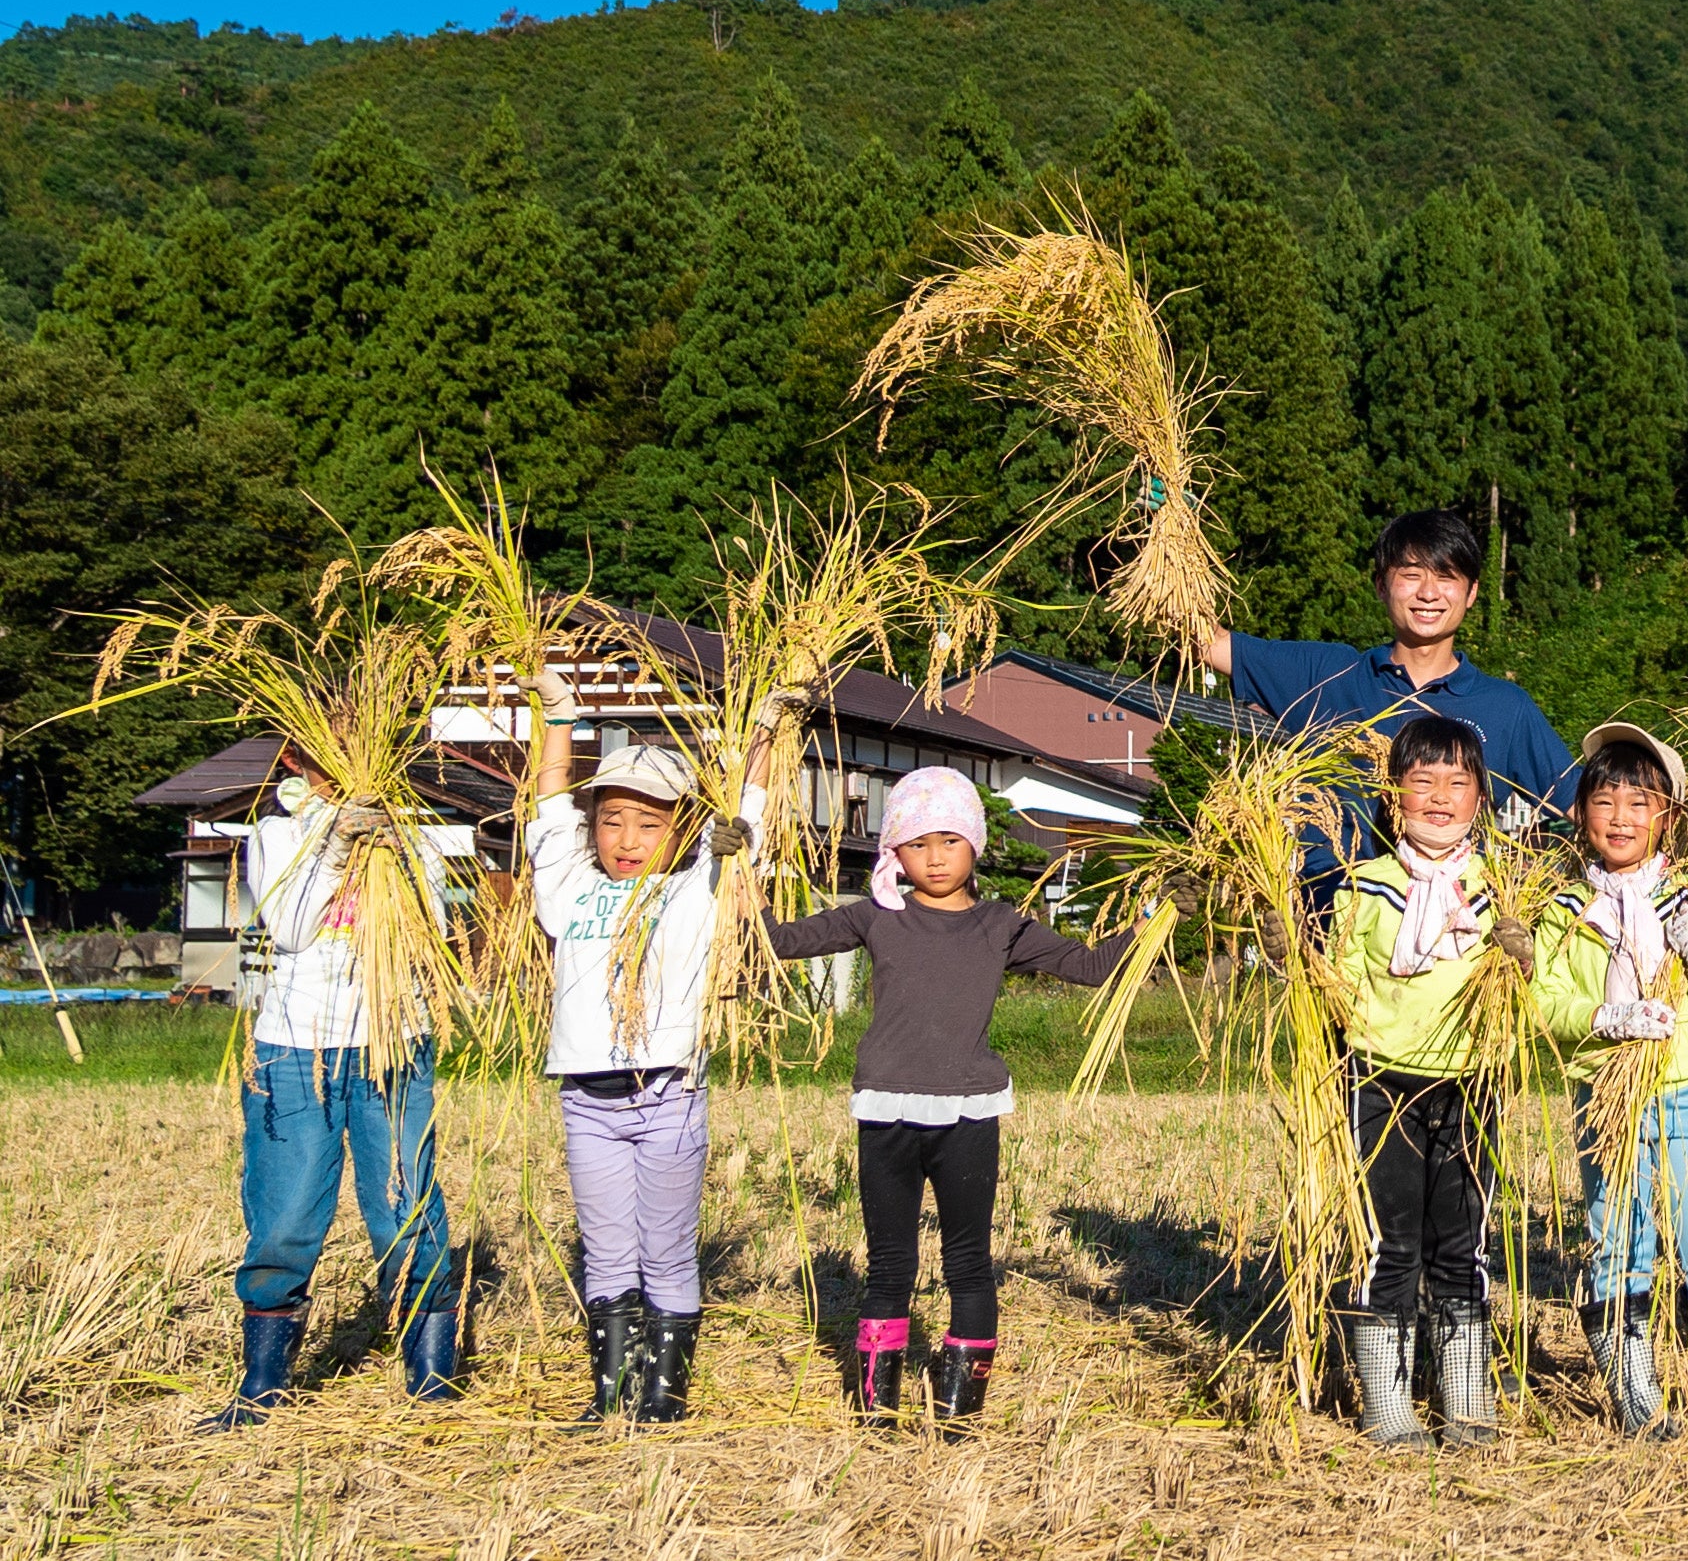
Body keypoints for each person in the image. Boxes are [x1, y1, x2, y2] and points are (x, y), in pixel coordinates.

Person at [763, 765, 1127, 1433]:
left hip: (968, 1113)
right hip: (886, 1112)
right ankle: (879, 1406)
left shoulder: (1000, 926)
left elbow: (1093, 967)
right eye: (918, 841)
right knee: (891, 1262)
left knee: (967, 1259)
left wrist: (1161, 917)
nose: (934, 856)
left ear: (975, 846)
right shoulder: (878, 916)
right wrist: (736, 881)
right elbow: (781, 940)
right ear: (894, 852)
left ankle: (959, 1408)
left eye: (949, 840)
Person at [525, 661, 762, 1428]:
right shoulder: (568, 887)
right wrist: (558, 715)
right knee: (606, 1249)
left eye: (649, 823)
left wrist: (762, 733)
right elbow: (548, 803)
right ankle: (611, 1395)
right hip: (587, 1097)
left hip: (668, 1092)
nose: (627, 839)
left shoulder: (696, 886)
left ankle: (663, 1398)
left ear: (680, 829)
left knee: (666, 1247)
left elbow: (749, 807)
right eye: (612, 820)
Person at [203, 749, 464, 1430]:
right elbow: (287, 929)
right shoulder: (278, 833)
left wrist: (388, 850)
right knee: (285, 1212)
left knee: (404, 1202)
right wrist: (337, 842)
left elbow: (430, 935)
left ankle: (432, 1377)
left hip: (393, 1042)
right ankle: (263, 1384)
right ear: (298, 757)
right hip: (296, 1046)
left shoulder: (414, 837)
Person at [1527, 721, 1688, 1437]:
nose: (1620, 818)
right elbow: (1543, 1004)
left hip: (1685, 1089)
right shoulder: (1562, 910)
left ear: (1671, 818)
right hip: (1605, 1094)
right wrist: (1607, 1018)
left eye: (1639, 803)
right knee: (1618, 1238)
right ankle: (1632, 1384)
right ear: (1578, 813)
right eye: (1604, 802)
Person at [1324, 713, 1512, 1449]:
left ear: (1480, 798)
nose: (1439, 796)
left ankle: (1465, 1401)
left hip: (1470, 1085)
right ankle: (1388, 1402)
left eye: (1457, 782)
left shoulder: (1501, 894)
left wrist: (1521, 962)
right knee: (1388, 1241)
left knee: (1462, 1244)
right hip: (1379, 1084)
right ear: (1392, 794)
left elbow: (1524, 999)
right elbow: (1333, 989)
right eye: (1421, 780)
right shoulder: (1365, 888)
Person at [1197, 509, 1576, 862]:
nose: (1428, 593)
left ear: (1472, 592)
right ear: (1381, 585)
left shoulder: (1505, 707)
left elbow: (1587, 805)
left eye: (1446, 577)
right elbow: (1206, 641)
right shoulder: (1328, 675)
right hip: (1327, 922)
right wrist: (1164, 530)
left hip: (1449, 927)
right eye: (1411, 575)